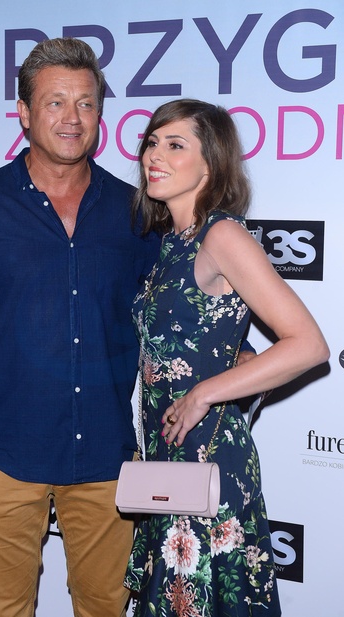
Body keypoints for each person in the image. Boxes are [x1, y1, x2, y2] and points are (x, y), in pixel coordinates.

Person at [0, 38, 162, 617]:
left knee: (106, 607)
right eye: (55, 103)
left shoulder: (137, 213)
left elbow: (174, 307)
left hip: (105, 457)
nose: (73, 118)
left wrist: (232, 352)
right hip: (2, 454)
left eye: (87, 103)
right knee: (0, 609)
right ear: (24, 112)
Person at [123, 99, 329, 616]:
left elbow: (308, 344)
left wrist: (204, 393)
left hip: (209, 455)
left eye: (175, 145)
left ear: (210, 164)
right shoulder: (171, 243)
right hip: (168, 456)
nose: (154, 155)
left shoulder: (222, 234)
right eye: (152, 142)